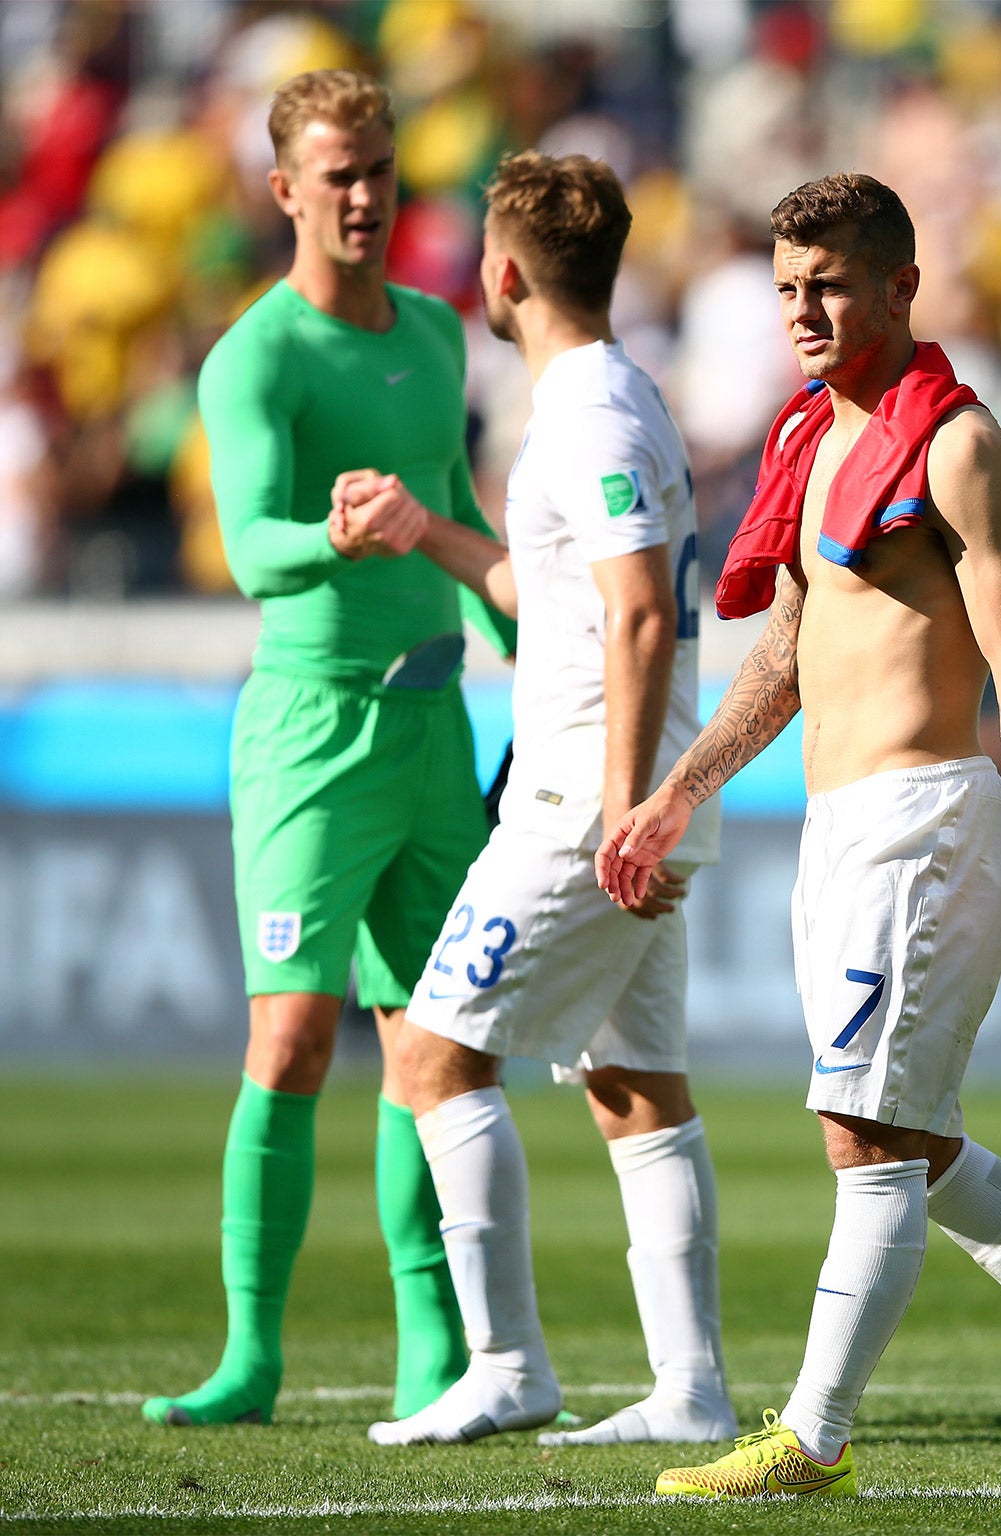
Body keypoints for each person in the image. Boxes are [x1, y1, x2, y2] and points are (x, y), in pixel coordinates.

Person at [597, 173, 1001, 1501]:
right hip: (838, 829)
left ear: (899, 288)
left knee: (865, 1135)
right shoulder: (811, 440)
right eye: (785, 289)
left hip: (934, 819)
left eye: (828, 285)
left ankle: (813, 1440)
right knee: (907, 1141)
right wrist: (675, 791)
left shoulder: (961, 447)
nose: (803, 312)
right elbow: (786, 660)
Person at [334, 152, 735, 1449]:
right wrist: (427, 530)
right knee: (635, 1085)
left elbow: (632, 613)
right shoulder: (615, 398)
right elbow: (554, 592)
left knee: (433, 1053)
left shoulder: (592, 417)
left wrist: (627, 809)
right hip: (620, 783)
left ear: (503, 275)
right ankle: (690, 1390)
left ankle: (509, 1363)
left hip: (583, 794)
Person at [143, 69, 516, 1430]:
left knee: (439, 1044)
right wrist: (336, 538)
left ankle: (434, 1346)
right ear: (283, 188)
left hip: (436, 722)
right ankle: (251, 1355)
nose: (364, 197)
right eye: (336, 175)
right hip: (312, 728)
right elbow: (249, 551)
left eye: (380, 170)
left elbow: (459, 502)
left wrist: (518, 624)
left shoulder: (437, 327)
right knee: (295, 1038)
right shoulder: (259, 355)